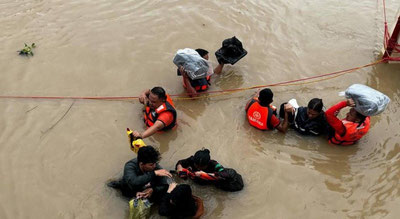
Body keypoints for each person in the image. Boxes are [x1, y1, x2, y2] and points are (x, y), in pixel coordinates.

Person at [108, 146, 172, 202]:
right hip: (128, 189)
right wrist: (154, 174)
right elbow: (133, 182)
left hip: (145, 191)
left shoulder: (155, 166)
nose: (154, 166)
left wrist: (153, 190)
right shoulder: (130, 166)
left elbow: (166, 185)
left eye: (155, 163)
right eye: (151, 165)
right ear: (141, 164)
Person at [175, 149, 244, 191]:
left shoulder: (213, 164)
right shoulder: (192, 160)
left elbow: (224, 173)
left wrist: (205, 174)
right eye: (197, 166)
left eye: (202, 167)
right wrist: (179, 169)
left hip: (211, 181)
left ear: (208, 163)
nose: (199, 168)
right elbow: (180, 162)